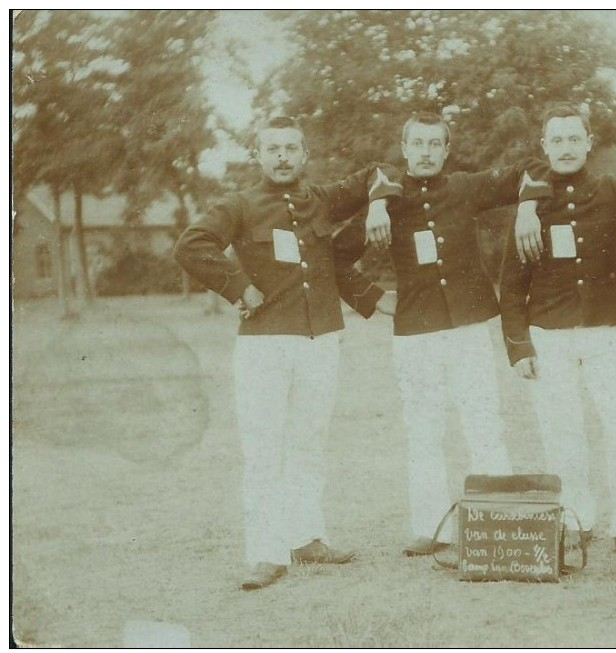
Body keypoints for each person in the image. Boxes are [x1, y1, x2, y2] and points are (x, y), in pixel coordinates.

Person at [173, 116, 399, 590]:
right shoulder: (238, 204)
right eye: (272, 149)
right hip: (265, 344)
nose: (282, 157)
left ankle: (306, 537)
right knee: (263, 448)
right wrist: (238, 287)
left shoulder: (321, 200)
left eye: (291, 148)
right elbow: (191, 245)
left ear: (304, 155)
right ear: (258, 155)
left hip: (321, 340)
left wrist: (378, 206)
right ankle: (265, 553)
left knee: (309, 442)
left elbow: (379, 171)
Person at [360, 111, 548, 557]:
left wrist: (526, 209)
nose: (425, 152)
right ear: (404, 149)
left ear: (446, 150)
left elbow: (533, 168)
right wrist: (371, 297)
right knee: (423, 429)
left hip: (468, 328)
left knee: (483, 421)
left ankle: (495, 523)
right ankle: (430, 527)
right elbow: (336, 251)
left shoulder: (466, 187)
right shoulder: (389, 201)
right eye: (417, 144)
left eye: (434, 144)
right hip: (415, 332)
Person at [501, 102, 616, 560]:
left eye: (574, 138)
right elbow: (511, 284)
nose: (565, 148)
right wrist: (519, 345)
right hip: (550, 334)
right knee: (563, 431)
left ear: (589, 143)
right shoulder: (530, 206)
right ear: (544, 146)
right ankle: (575, 519)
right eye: (556, 140)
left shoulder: (612, 189)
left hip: (608, 331)